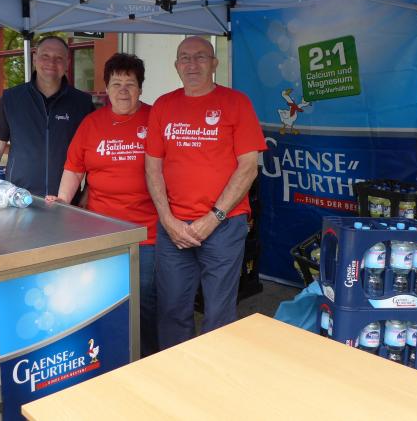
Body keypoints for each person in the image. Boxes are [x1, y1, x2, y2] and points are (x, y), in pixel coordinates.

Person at [145, 36, 266, 349]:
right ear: (176, 66)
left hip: (224, 225)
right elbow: (153, 168)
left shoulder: (236, 103)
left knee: (219, 312)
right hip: (174, 227)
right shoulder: (163, 106)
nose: (192, 64)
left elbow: (249, 167)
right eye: (185, 58)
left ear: (214, 64)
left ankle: (213, 370)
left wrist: (213, 218)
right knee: (172, 309)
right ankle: (177, 369)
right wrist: (167, 220)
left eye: (200, 57)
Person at [48, 53, 159, 357]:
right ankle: (112, 357)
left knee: (145, 302)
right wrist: (63, 201)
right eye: (116, 83)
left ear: (140, 88)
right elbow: (74, 169)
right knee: (105, 298)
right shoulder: (91, 124)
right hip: (102, 233)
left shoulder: (156, 118)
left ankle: (149, 359)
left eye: (130, 84)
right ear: (106, 88)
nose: (123, 90)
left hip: (147, 233)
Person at [0, 36, 93, 196]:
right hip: (18, 198)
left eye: (59, 58)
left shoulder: (82, 103)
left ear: (67, 63)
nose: (51, 63)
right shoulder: (11, 99)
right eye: (45, 56)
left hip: (66, 201)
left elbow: (94, 154)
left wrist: (87, 193)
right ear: (35, 58)